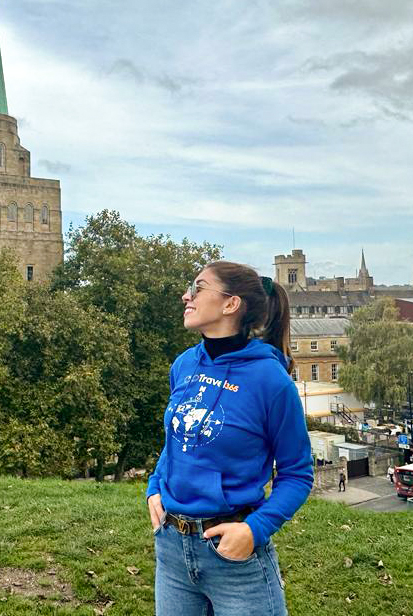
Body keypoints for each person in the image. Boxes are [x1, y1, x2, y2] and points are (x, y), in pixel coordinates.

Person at [146, 261, 313, 616]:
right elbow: (177, 440)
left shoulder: (271, 380)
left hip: (234, 556)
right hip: (172, 551)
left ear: (230, 304)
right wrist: (154, 487)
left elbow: (298, 474)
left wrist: (254, 530)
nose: (186, 296)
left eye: (198, 288)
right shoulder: (184, 365)